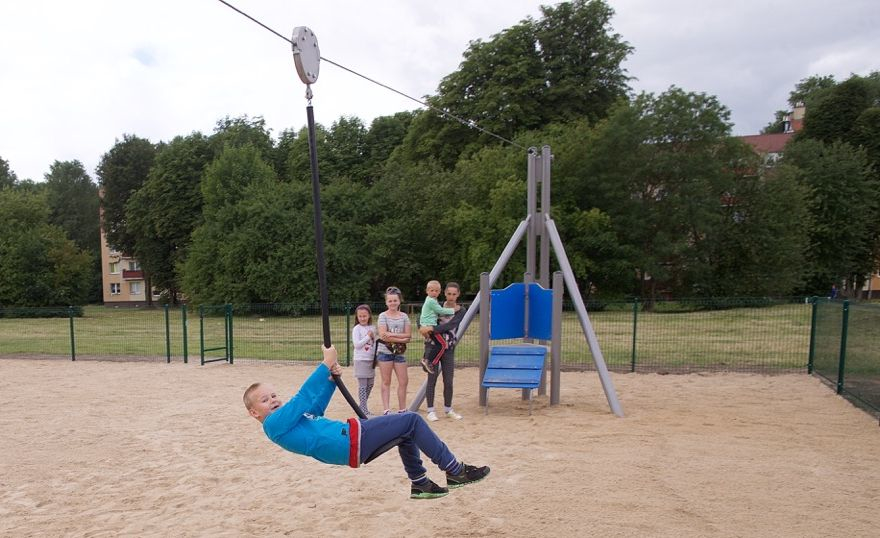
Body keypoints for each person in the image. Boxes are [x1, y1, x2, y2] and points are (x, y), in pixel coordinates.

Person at [243, 345, 490, 499]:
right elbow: (303, 397)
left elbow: (314, 408)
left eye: (274, 395)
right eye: (265, 400)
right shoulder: (273, 425)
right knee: (412, 421)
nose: (273, 400)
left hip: (347, 440)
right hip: (348, 440)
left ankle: (420, 483)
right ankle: (455, 471)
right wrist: (325, 364)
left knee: (405, 431)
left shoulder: (288, 421)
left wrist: (331, 381)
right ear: (254, 413)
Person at [425, 282, 466, 422]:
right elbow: (423, 318)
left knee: (448, 381)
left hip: (448, 348)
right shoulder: (436, 306)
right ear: (445, 294)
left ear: (458, 294)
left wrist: (431, 329)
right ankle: (430, 410)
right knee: (432, 379)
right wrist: (423, 328)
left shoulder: (460, 310)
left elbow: (451, 325)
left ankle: (448, 409)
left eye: (454, 294)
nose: (451, 297)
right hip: (433, 346)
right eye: (449, 294)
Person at [376, 286, 411, 414]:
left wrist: (392, 336)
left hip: (400, 353)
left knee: (403, 381)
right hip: (385, 352)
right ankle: (386, 409)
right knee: (386, 381)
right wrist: (401, 338)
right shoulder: (382, 316)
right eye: (390, 301)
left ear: (399, 301)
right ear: (386, 302)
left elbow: (408, 336)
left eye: (395, 300)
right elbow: (383, 335)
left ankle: (402, 408)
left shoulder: (404, 316)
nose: (392, 303)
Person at [418, 280, 456, 374]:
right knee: (442, 344)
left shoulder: (431, 300)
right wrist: (453, 310)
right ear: (427, 291)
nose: (434, 293)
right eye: (432, 290)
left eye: (436, 291)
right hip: (430, 326)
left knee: (435, 344)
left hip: (428, 324)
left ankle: (427, 359)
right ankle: (428, 361)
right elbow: (440, 310)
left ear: (439, 292)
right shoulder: (431, 301)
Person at [351, 304, 376, 416]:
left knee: (370, 383)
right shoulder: (357, 329)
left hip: (370, 360)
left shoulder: (372, 328)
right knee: (363, 385)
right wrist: (367, 337)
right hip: (360, 359)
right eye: (360, 316)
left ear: (369, 315)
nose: (362, 318)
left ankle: (361, 406)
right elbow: (357, 345)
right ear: (357, 317)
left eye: (364, 316)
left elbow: (374, 343)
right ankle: (363, 409)